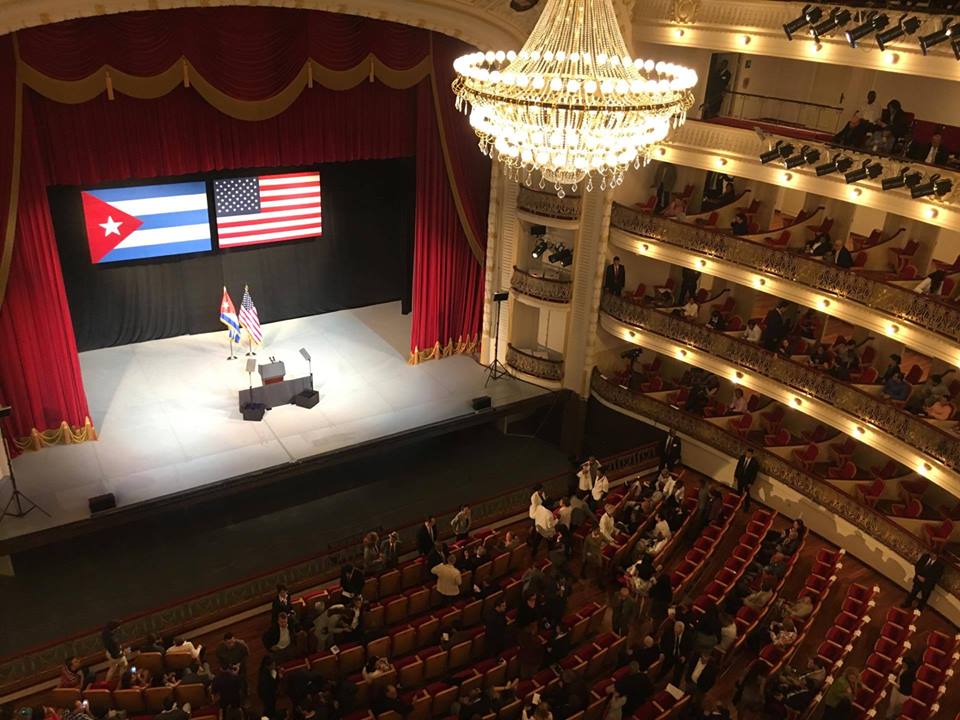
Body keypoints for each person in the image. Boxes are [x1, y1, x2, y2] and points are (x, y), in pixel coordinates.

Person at [659, 620, 693, 684]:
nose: (675, 633)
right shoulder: (668, 633)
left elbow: (689, 648)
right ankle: (657, 680)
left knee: (677, 675)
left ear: (682, 630)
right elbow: (662, 643)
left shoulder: (688, 636)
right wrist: (662, 652)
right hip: (670, 654)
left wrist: (685, 656)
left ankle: (674, 686)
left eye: (677, 632)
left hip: (680, 657)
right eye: (675, 630)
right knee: (664, 670)